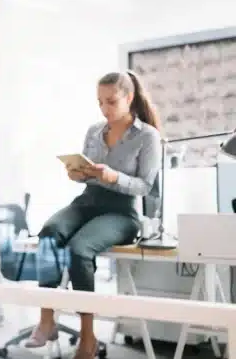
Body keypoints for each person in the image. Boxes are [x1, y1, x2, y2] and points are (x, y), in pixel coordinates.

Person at [24, 70, 162, 358]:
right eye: (100, 102)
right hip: (88, 202)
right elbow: (89, 176)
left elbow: (146, 186)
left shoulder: (148, 136)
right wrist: (78, 174)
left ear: (129, 97)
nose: (104, 109)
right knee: (48, 233)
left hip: (122, 212)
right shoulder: (93, 131)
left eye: (111, 102)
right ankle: (46, 318)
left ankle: (88, 334)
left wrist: (114, 177)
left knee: (79, 250)